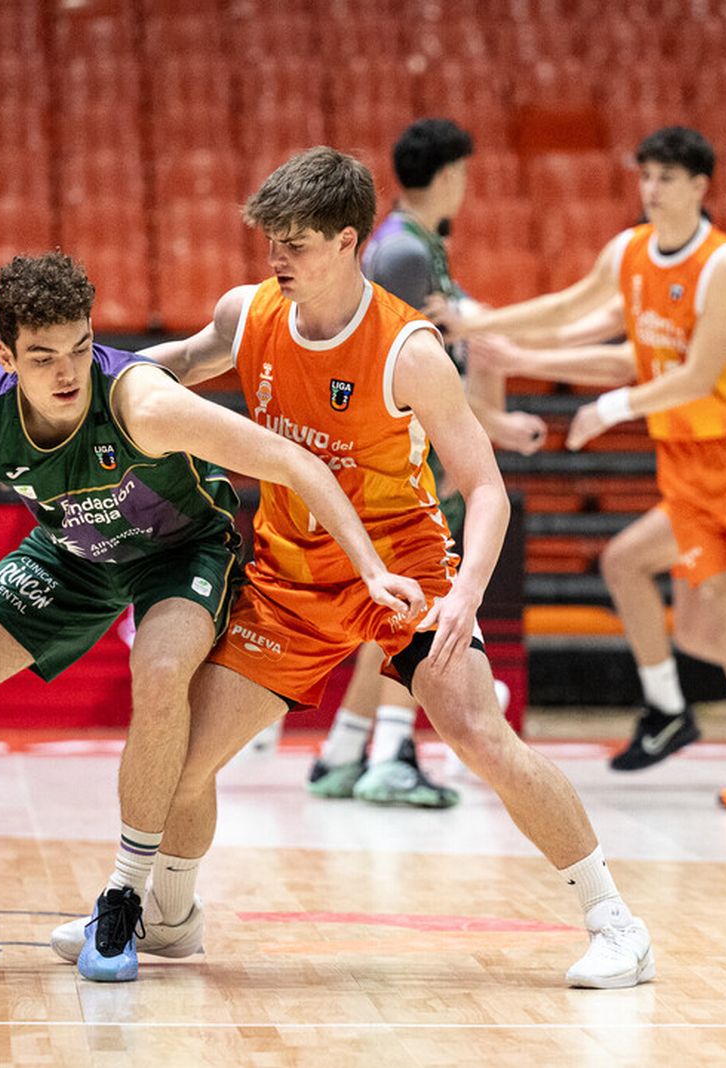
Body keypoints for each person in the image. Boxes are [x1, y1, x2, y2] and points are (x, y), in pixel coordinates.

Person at [52, 147, 655, 988]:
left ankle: (616, 923)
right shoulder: (250, 313)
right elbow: (175, 364)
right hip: (289, 582)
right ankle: (173, 917)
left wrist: (465, 596)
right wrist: (79, 383)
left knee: (478, 734)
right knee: (183, 761)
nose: (276, 258)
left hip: (402, 572)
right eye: (270, 241)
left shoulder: (408, 350)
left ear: (347, 241)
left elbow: (487, 489)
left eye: (294, 243)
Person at [0, 252, 423, 979]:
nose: (67, 372)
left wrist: (370, 567)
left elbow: (293, 461)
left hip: (181, 553)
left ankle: (124, 896)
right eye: (43, 357)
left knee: (161, 669)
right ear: (6, 359)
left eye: (79, 348)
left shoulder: (143, 402)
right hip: (73, 552)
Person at [442, 126, 726, 808]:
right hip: (682, 454)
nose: (651, 189)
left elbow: (699, 374)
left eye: (666, 178)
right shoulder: (629, 251)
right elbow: (569, 308)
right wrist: (476, 327)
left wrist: (609, 407)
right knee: (721, 615)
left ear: (700, 185)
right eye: (645, 176)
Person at [467, 301, 726, 771]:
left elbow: (627, 359)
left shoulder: (706, 288)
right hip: (690, 472)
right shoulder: (639, 282)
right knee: (699, 631)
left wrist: (520, 355)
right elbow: (584, 318)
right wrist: (500, 336)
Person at [298, 118, 557, 809]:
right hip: (408, 460)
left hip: (408, 452)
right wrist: (493, 425)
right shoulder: (406, 252)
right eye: (463, 173)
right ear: (447, 175)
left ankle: (345, 751)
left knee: (398, 607)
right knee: (419, 603)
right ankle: (391, 753)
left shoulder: (410, 245)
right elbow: (408, 373)